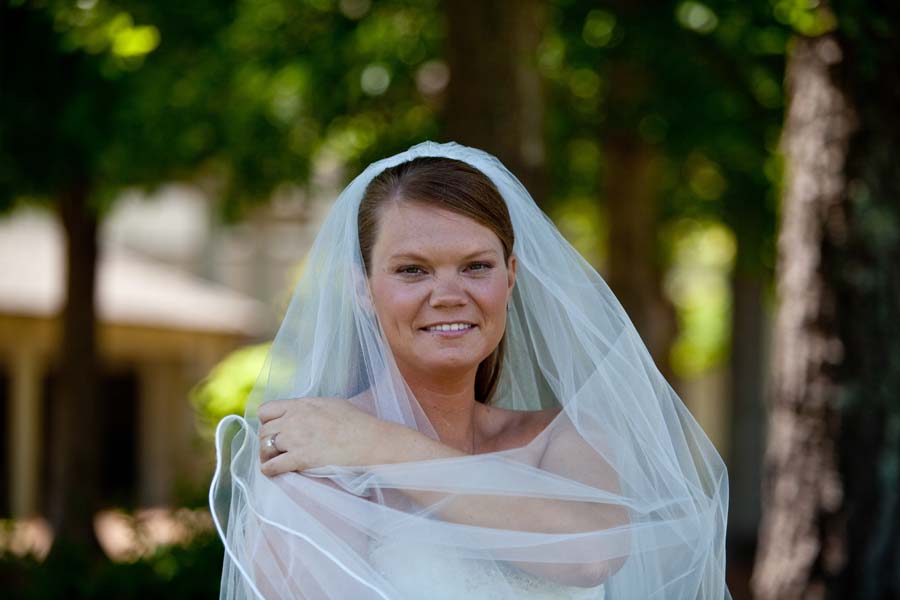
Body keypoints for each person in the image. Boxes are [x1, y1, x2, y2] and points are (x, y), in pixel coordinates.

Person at [210, 141, 731, 599]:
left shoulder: (565, 438)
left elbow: (589, 555)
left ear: (510, 277)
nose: (449, 295)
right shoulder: (316, 462)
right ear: (362, 288)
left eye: (476, 266)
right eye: (412, 270)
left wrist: (376, 445)